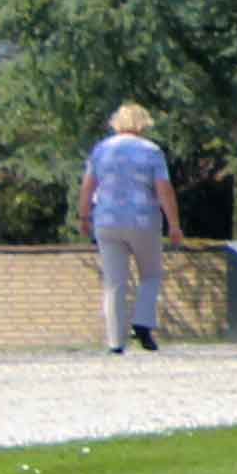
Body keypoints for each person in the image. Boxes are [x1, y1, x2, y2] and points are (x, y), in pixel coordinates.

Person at [84, 103, 182, 353]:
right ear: (143, 123)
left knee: (114, 283)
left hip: (106, 220)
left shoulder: (100, 150)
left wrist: (83, 216)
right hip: (142, 220)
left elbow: (88, 187)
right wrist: (174, 224)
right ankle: (142, 322)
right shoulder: (151, 151)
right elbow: (164, 190)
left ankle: (115, 343)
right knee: (151, 274)